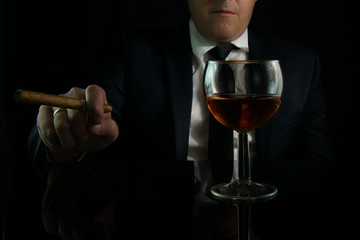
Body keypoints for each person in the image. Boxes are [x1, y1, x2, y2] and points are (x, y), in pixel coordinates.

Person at [29, 0, 335, 239]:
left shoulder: (300, 65)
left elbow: (322, 171)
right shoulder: (134, 53)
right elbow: (84, 114)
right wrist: (65, 136)